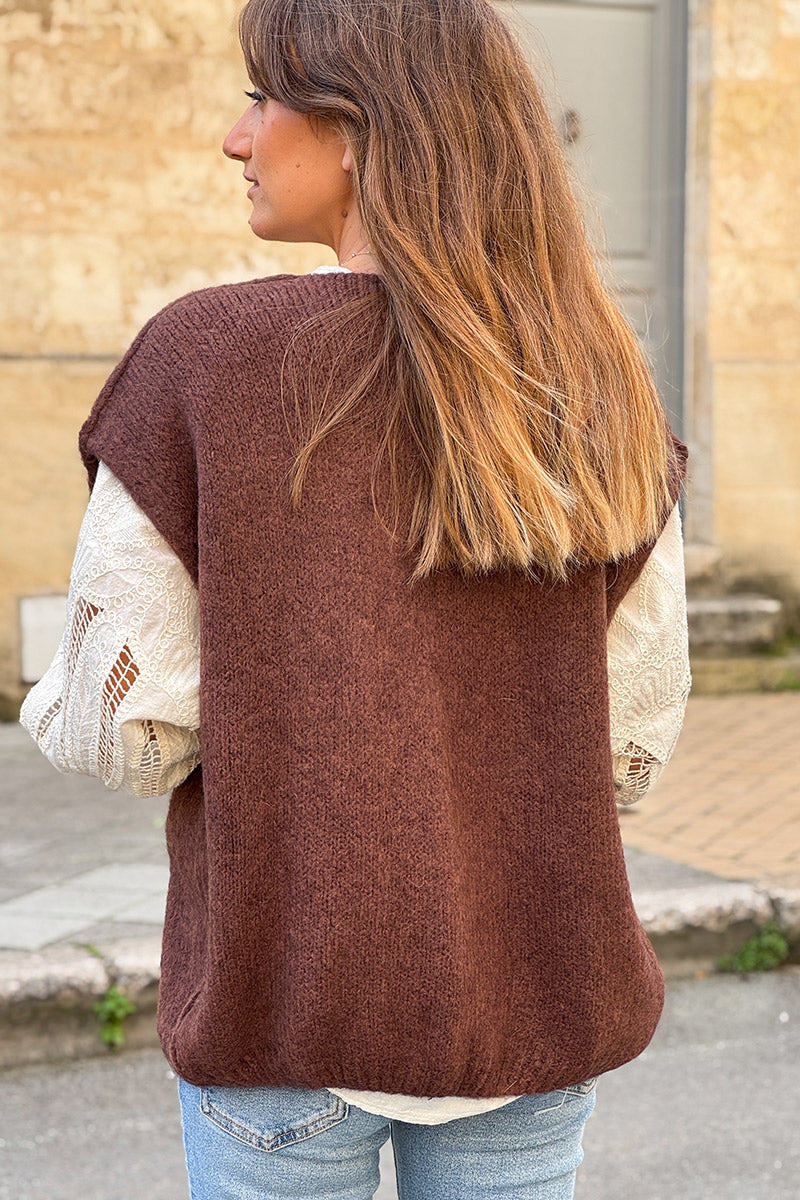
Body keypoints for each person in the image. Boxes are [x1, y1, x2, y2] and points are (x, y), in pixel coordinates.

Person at [20, 0, 690, 1196]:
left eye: (259, 97)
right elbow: (630, 746)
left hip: (292, 1011)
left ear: (359, 130)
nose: (236, 137)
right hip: (530, 1012)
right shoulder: (592, 378)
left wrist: (52, 702)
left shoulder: (208, 363)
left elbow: (127, 733)